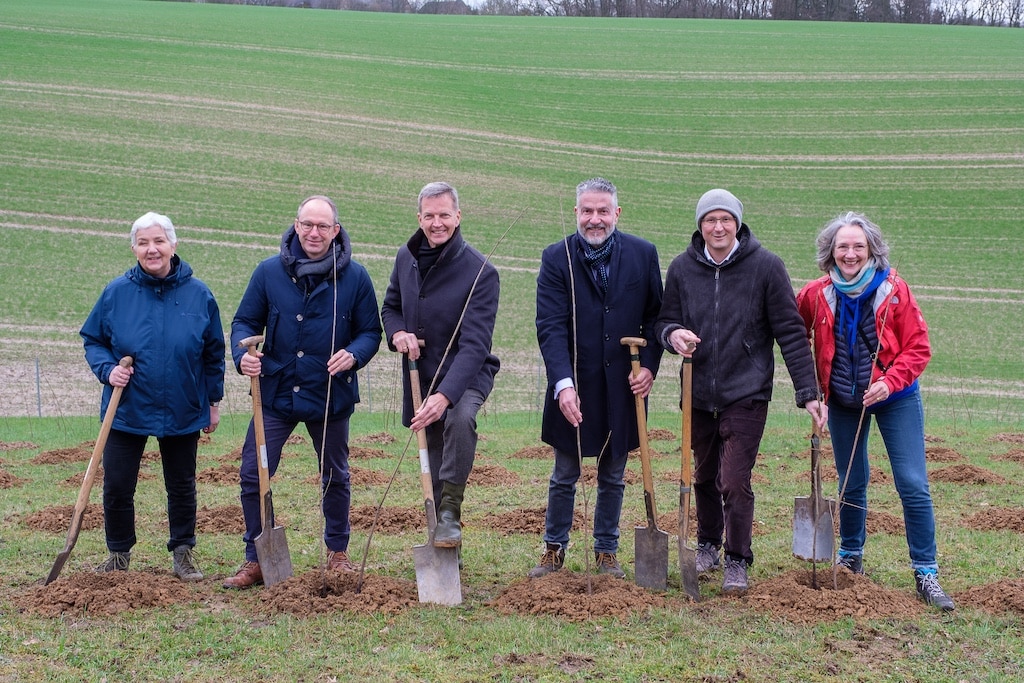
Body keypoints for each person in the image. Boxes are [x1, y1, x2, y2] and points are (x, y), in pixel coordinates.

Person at [654, 188, 825, 594]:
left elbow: (790, 332)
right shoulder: (682, 268)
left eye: (725, 219)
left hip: (746, 391)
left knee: (733, 480)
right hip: (697, 392)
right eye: (710, 220)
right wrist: (672, 334)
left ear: (737, 224)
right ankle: (708, 544)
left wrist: (809, 391)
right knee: (703, 476)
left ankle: (736, 558)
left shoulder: (765, 267)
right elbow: (664, 321)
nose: (718, 227)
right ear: (700, 226)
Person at [796, 212, 954, 611]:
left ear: (871, 251)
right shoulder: (815, 294)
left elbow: (919, 347)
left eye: (858, 247)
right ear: (830, 251)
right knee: (851, 482)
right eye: (842, 247)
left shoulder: (895, 290)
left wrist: (890, 380)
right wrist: (812, 392)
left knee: (912, 483)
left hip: (896, 397)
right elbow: (792, 334)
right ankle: (851, 559)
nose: (850, 254)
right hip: (845, 403)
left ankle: (926, 572)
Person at [224, 195, 382, 589]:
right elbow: (243, 322)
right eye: (307, 225)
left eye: (323, 227)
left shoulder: (356, 278)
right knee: (252, 472)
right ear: (296, 226)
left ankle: (338, 554)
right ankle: (256, 556)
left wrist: (354, 354)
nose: (314, 233)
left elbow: (370, 332)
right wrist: (243, 357)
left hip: (330, 394)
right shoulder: (268, 273)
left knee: (335, 475)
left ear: (335, 231)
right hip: (276, 392)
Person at [531, 177, 664, 580]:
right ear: (576, 213)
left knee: (613, 474)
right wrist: (563, 384)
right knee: (565, 474)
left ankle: (607, 551)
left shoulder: (643, 255)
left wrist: (651, 369)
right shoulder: (557, 258)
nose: (594, 219)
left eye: (602, 211)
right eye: (586, 211)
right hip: (576, 385)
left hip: (625, 387)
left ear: (616, 214)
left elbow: (657, 318)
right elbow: (550, 325)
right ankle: (554, 548)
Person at [81, 211, 225, 581]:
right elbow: (94, 340)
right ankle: (118, 554)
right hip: (127, 406)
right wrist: (107, 369)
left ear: (173, 245)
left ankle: (183, 553)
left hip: (182, 406)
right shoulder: (116, 293)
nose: (152, 249)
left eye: (158, 241)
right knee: (116, 484)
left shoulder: (199, 294)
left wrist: (213, 402)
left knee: (181, 484)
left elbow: (213, 352)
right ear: (133, 248)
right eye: (143, 243)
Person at [381, 182, 500, 549]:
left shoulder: (481, 271)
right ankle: (443, 541)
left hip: (467, 372)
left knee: (459, 420)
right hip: (423, 371)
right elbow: (390, 307)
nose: (437, 223)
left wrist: (445, 397)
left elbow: (476, 344)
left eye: (444, 215)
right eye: (429, 216)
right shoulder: (406, 257)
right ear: (419, 218)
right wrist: (398, 332)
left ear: (458, 216)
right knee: (430, 446)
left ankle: (450, 513)